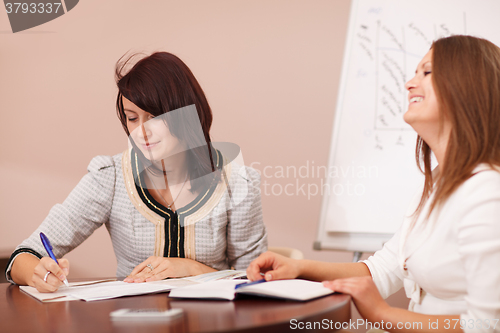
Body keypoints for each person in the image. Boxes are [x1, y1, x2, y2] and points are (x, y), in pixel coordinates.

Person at [247, 35, 500, 332]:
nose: (409, 83)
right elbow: (382, 270)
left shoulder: (486, 194)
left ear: (466, 86)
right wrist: (301, 268)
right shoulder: (435, 185)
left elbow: (488, 326)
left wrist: (382, 314)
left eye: (426, 72)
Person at [5, 52, 267, 292]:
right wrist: (36, 273)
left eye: (154, 116)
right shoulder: (110, 176)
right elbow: (24, 256)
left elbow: (257, 280)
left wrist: (191, 269)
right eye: (132, 118)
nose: (141, 132)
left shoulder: (236, 182)